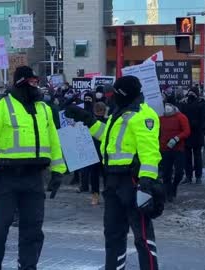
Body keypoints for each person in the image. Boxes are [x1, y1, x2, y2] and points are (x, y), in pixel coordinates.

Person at [66, 75, 164, 270]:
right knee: (113, 234)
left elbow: (150, 153)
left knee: (142, 236)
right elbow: (107, 137)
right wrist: (86, 118)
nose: (111, 97)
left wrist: (146, 184)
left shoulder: (143, 115)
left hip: (133, 181)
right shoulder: (119, 112)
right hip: (113, 181)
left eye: (115, 94)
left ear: (124, 94)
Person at [0, 66, 67, 270]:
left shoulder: (43, 109)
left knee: (33, 230)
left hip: (34, 179)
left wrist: (58, 171)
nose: (36, 86)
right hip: (4, 179)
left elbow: (53, 141)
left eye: (37, 82)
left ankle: (27, 266)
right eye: (32, 82)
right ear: (20, 83)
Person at [160, 102, 190, 201]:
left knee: (179, 172)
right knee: (166, 173)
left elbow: (186, 131)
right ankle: (168, 194)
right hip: (164, 148)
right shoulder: (160, 118)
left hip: (178, 149)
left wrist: (177, 138)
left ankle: (174, 186)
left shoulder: (181, 117)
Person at [180, 86, 205, 184]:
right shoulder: (184, 103)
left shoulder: (201, 103)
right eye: (190, 93)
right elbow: (181, 117)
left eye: (193, 93)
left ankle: (198, 177)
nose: (191, 95)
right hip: (186, 134)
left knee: (197, 157)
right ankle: (188, 176)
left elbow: (203, 119)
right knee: (186, 157)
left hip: (197, 134)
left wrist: (195, 124)